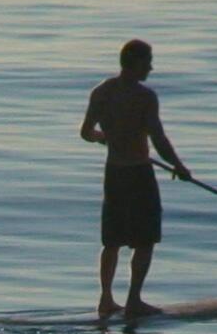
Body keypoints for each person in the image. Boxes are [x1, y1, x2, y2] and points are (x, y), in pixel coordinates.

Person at [80, 39, 191, 319]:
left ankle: (105, 300)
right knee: (144, 240)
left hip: (114, 172)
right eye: (148, 61)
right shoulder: (145, 97)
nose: (151, 68)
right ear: (136, 62)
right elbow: (159, 140)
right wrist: (179, 167)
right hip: (139, 172)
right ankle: (133, 302)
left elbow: (86, 132)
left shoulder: (101, 92)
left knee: (112, 241)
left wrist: (105, 138)